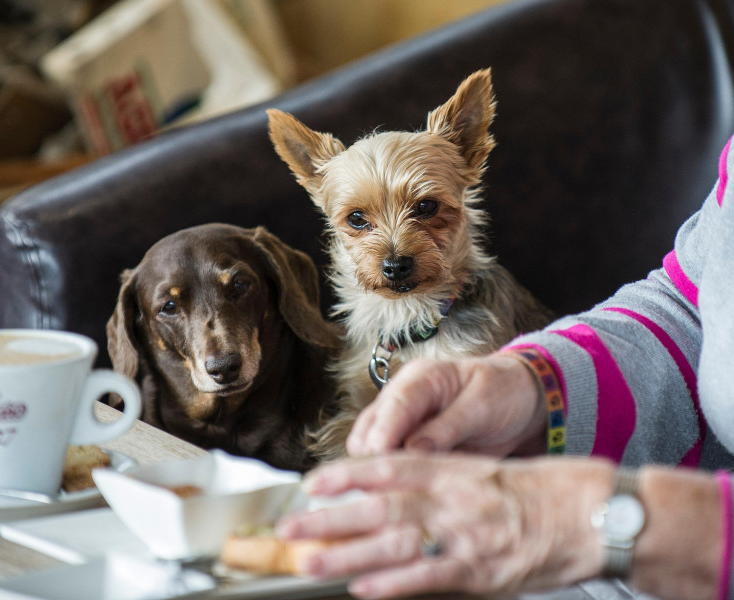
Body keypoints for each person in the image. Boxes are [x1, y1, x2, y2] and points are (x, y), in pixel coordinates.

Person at [275, 136, 734, 600]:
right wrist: (538, 382)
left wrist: (613, 520)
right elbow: (688, 303)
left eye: (427, 209)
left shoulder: (482, 323)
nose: (395, 251)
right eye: (358, 220)